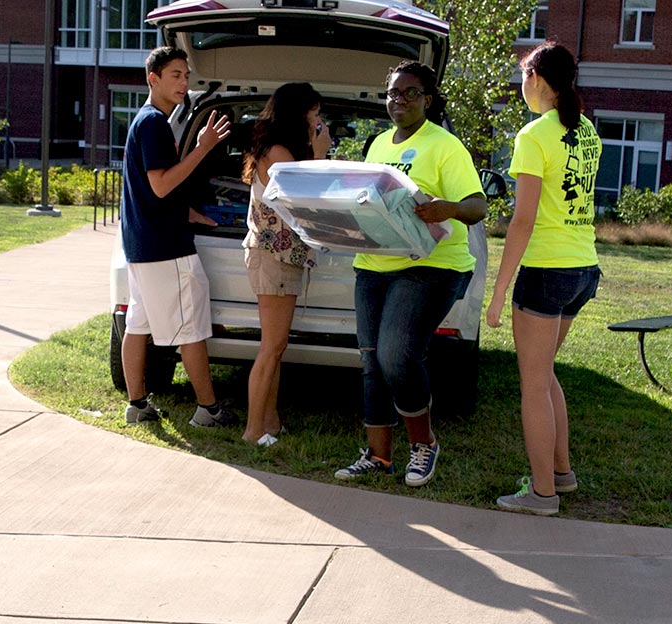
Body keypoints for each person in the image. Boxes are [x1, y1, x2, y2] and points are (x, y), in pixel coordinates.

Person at [335, 61, 486, 487]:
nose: (398, 100)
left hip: (432, 265)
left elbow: (478, 206)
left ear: (428, 100)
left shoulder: (445, 146)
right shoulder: (378, 143)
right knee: (371, 362)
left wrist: (449, 208)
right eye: (392, 93)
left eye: (409, 93)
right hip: (375, 264)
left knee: (396, 354)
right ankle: (379, 457)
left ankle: (424, 444)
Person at [485, 42, 602, 516]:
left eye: (522, 77)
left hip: (547, 270)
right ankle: (561, 474)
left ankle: (542, 496)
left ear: (536, 78)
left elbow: (523, 221)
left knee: (533, 383)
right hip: (582, 268)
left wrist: (497, 293)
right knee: (545, 373)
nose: (521, 87)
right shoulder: (587, 129)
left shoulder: (533, 136)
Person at [119, 45, 232, 428]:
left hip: (141, 247)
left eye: (186, 75)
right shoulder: (153, 124)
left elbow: (151, 194)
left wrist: (193, 213)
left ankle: (137, 404)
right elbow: (162, 185)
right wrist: (203, 148)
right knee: (193, 330)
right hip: (166, 250)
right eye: (175, 75)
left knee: (137, 325)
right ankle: (209, 410)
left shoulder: (146, 121)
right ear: (153, 79)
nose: (184, 82)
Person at [240, 82, 332, 445]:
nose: (318, 119)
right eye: (314, 112)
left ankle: (270, 422)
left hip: (279, 256)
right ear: (299, 112)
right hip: (273, 257)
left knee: (275, 346)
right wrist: (321, 153)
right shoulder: (278, 152)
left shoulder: (280, 148)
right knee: (271, 347)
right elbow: (305, 197)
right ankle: (252, 430)